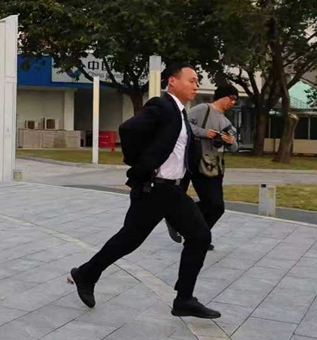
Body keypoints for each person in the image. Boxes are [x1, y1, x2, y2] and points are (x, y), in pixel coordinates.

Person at [68, 63, 220, 319]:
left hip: (171, 191)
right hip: (153, 189)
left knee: (200, 236)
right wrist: (141, 163)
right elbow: (128, 130)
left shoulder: (181, 112)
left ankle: (184, 299)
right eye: (192, 80)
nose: (196, 85)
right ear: (172, 81)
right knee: (128, 240)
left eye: (197, 81)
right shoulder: (161, 106)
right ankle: (85, 274)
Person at [187, 84, 239, 237]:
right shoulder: (203, 109)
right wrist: (204, 132)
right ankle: (193, 232)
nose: (233, 102)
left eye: (236, 100)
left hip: (215, 166)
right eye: (232, 98)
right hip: (199, 162)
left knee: (217, 207)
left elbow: (235, 148)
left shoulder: (226, 122)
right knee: (213, 204)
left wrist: (230, 141)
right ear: (223, 96)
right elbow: (182, 124)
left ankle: (196, 234)